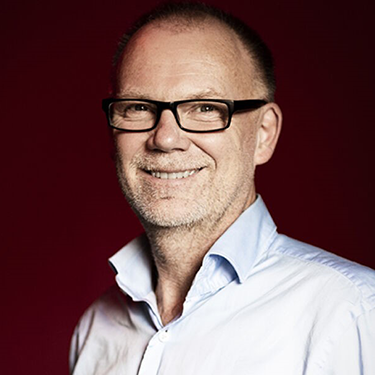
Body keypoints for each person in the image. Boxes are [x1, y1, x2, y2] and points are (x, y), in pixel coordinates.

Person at [69, 3, 375, 374]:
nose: (166, 138)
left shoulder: (353, 313)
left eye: (205, 108)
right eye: (138, 107)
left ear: (263, 134)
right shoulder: (95, 329)